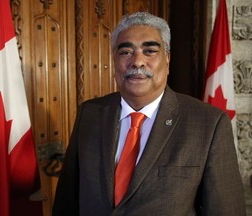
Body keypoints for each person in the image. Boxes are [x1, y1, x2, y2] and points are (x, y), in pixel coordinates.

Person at [52, 12, 246, 215]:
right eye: (126, 52)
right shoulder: (90, 114)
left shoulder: (209, 123)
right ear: (114, 60)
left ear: (168, 59)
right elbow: (67, 204)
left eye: (150, 51)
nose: (137, 62)